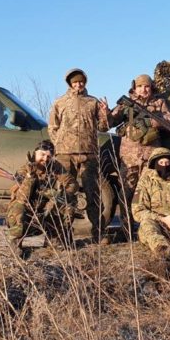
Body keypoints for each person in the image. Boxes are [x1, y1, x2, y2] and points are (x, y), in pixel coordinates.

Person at [48, 68, 110, 243]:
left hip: (88, 154)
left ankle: (98, 232)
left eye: (81, 81)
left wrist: (106, 113)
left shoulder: (93, 102)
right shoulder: (60, 103)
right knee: (65, 194)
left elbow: (104, 127)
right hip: (65, 155)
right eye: (75, 82)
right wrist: (59, 144)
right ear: (70, 83)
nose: (78, 84)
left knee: (93, 193)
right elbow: (52, 127)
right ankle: (61, 234)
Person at [108, 74, 170, 213]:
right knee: (126, 194)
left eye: (146, 86)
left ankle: (150, 229)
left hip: (151, 158)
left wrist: (151, 121)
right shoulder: (125, 104)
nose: (143, 89)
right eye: (140, 86)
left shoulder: (159, 103)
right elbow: (110, 122)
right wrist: (106, 113)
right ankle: (127, 231)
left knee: (152, 194)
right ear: (134, 88)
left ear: (151, 87)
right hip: (129, 159)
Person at [6, 139, 78, 247]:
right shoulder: (24, 170)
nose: (45, 159)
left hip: (45, 211)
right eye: (42, 154)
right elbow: (22, 197)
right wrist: (30, 177)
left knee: (68, 204)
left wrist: (58, 196)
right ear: (35, 153)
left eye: (48, 156)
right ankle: (15, 244)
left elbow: (73, 184)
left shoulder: (55, 167)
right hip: (28, 212)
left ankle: (54, 240)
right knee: (18, 206)